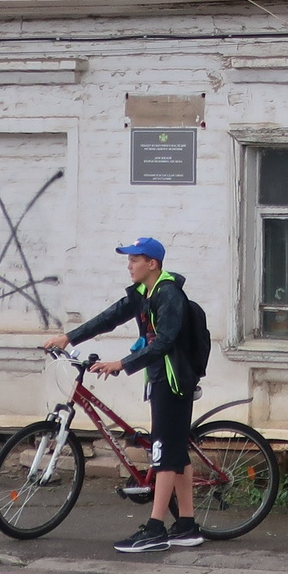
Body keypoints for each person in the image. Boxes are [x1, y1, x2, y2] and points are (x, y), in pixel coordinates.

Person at [48, 237, 203, 553]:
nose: (129, 266)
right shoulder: (145, 294)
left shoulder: (169, 295)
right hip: (161, 378)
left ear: (152, 264)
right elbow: (110, 317)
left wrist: (122, 364)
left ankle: (156, 529)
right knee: (175, 452)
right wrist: (68, 336)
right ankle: (186, 525)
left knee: (164, 454)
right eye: (128, 260)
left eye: (134, 260)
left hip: (174, 382)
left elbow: (165, 342)